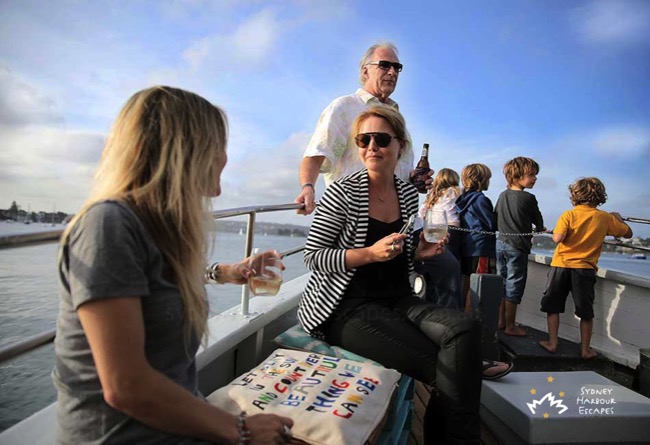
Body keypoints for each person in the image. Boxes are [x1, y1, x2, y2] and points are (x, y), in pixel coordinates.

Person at [53, 86, 293, 444]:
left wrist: (229, 272)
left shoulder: (158, 231)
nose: (226, 157)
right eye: (220, 144)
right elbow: (126, 386)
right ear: (188, 148)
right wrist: (240, 430)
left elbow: (155, 280)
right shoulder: (108, 225)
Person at [297, 106, 484, 445]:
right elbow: (314, 256)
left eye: (381, 139)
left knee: (465, 327)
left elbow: (401, 251)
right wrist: (369, 254)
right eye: (363, 139)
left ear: (400, 146)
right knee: (451, 370)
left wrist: (419, 253)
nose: (371, 147)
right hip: (346, 308)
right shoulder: (342, 192)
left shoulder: (409, 194)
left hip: (398, 299)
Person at [295, 42, 430, 216]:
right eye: (384, 65)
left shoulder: (397, 118)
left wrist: (414, 180)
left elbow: (400, 171)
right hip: (352, 215)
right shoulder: (344, 107)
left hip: (395, 218)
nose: (392, 72)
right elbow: (316, 154)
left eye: (397, 67)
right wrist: (308, 188)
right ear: (365, 71)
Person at [539, 177, 632, 359]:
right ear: (599, 196)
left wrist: (557, 232)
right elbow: (628, 233)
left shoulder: (568, 214)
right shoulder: (605, 218)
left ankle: (552, 343)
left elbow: (557, 239)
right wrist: (618, 219)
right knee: (585, 311)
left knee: (553, 306)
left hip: (561, 266)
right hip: (585, 269)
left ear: (575, 195)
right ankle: (585, 349)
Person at [495, 157, 546, 337]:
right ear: (517, 176)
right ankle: (510, 326)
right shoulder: (529, 198)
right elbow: (538, 223)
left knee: (501, 282)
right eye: (531, 175)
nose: (535, 179)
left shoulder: (502, 196)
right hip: (517, 246)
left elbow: (496, 219)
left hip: (500, 244)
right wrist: (540, 229)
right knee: (514, 284)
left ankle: (500, 321)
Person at [416, 168, 462, 309]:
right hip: (450, 230)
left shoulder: (431, 196)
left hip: (430, 232)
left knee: (433, 269)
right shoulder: (455, 191)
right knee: (450, 268)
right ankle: (451, 309)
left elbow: (421, 214)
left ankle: (431, 302)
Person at [455, 163, 497, 313]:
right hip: (480, 247)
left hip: (467, 246)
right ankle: (470, 318)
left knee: (467, 282)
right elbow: (492, 224)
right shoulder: (481, 200)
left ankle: (463, 315)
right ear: (481, 180)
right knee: (477, 284)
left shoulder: (462, 199)